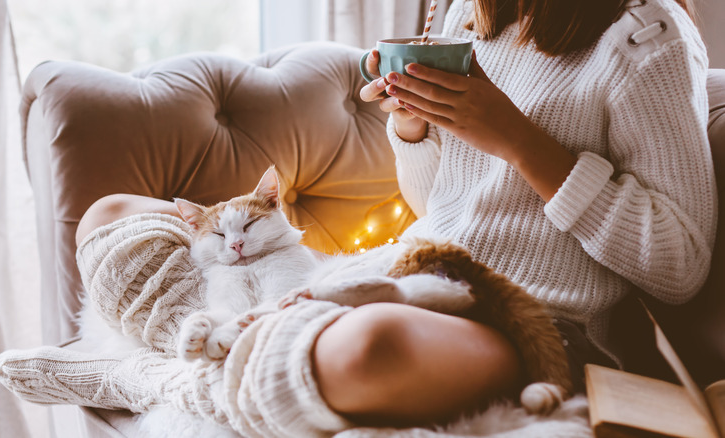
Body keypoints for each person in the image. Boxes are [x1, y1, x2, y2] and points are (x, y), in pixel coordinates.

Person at [74, 0, 715, 429]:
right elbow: (441, 203)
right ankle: (239, 349)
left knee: (371, 352)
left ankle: (160, 376)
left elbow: (680, 265)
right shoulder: (474, 9)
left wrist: (521, 143)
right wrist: (414, 129)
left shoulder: (645, 35)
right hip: (404, 269)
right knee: (112, 214)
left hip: (532, 321)